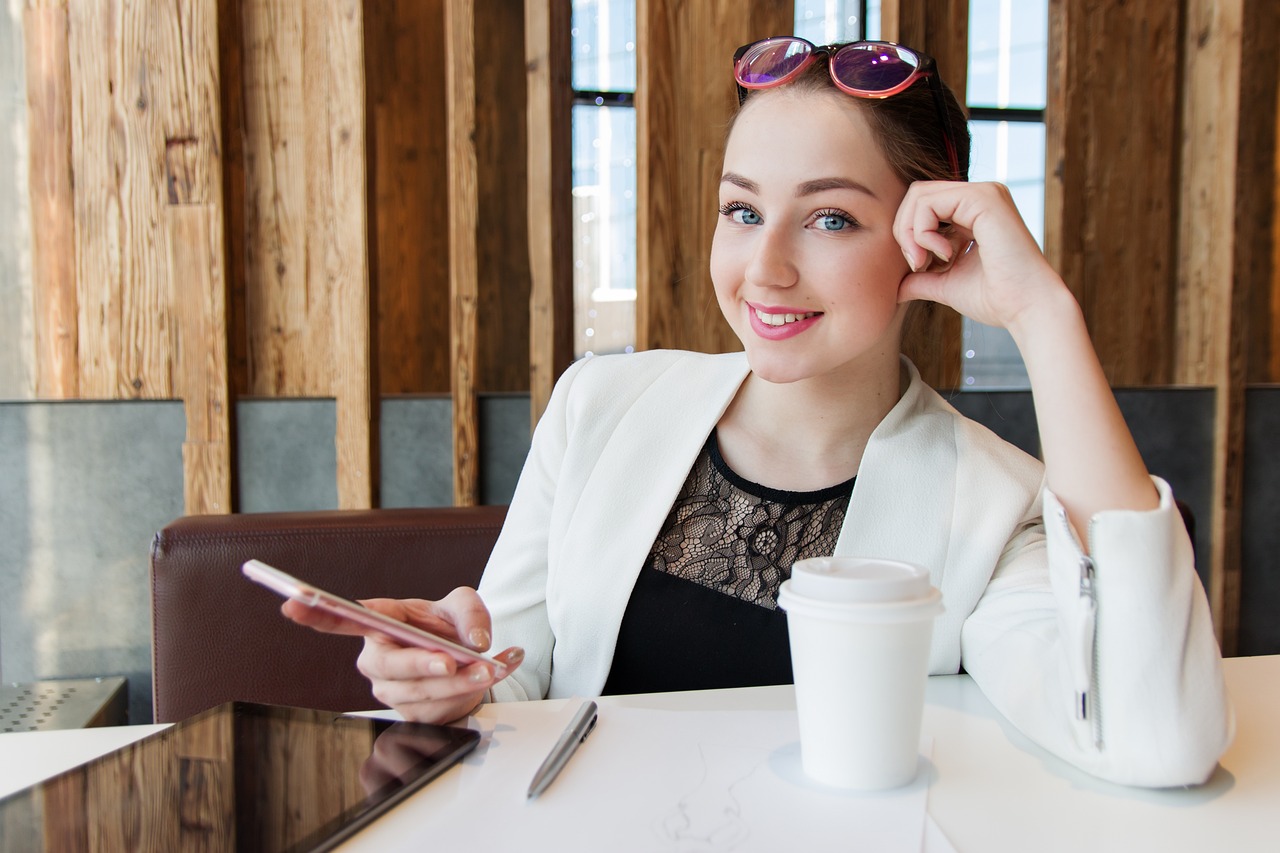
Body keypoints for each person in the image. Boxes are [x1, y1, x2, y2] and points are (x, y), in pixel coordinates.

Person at [285, 36, 1232, 787]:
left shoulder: (995, 504)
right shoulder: (600, 405)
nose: (765, 268)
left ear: (927, 239)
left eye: (830, 219)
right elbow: (519, 673)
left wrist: (1043, 313)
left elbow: (1154, 737)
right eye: (742, 210)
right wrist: (452, 676)